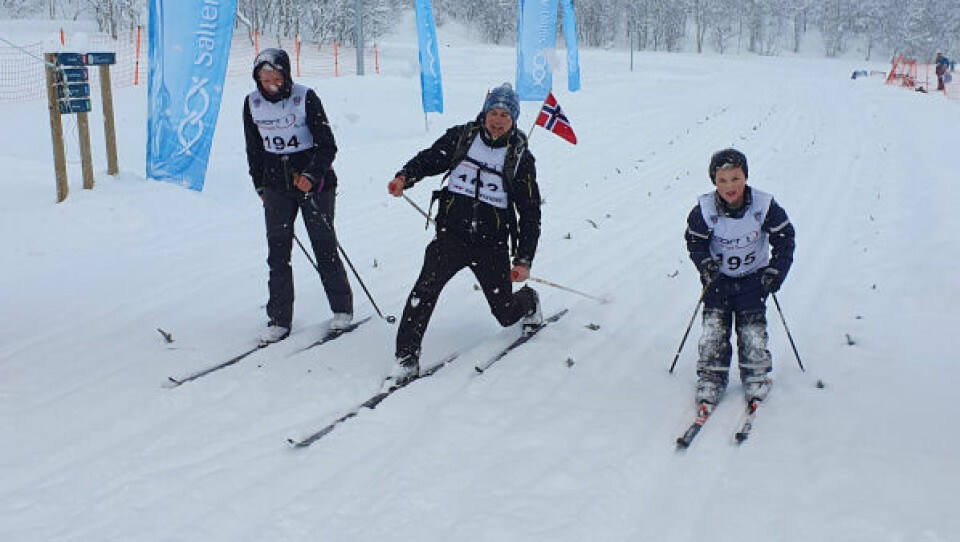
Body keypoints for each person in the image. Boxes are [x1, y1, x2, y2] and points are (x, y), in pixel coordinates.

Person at [385, 83, 543, 386]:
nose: (497, 120)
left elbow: (530, 213)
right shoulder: (463, 137)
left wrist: (523, 259)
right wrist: (405, 177)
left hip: (491, 245)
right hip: (452, 236)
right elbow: (430, 158)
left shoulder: (521, 159)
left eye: (505, 116)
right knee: (423, 292)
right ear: (484, 112)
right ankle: (406, 357)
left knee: (505, 313)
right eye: (493, 112)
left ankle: (529, 301)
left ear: (514, 119)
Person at [243, 48, 353, 345]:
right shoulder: (251, 103)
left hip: (314, 185)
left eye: (276, 78)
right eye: (264, 79)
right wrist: (260, 186)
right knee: (278, 252)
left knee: (324, 245)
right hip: (276, 186)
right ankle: (279, 319)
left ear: (286, 76)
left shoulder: (305, 97)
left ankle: (342, 308)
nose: (270, 85)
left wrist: (310, 175)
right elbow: (254, 149)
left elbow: (328, 145)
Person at [684, 148, 795, 408]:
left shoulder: (763, 206)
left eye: (735, 178)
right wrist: (705, 264)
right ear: (714, 182)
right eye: (722, 180)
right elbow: (694, 242)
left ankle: (755, 374)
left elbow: (784, 238)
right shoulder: (704, 210)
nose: (729, 186)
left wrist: (776, 270)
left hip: (753, 279)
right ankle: (711, 378)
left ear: (745, 176)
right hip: (718, 281)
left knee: (752, 330)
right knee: (714, 331)